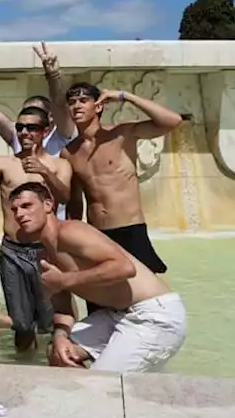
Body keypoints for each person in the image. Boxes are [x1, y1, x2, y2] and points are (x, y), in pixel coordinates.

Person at [7, 183, 187, 372]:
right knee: (57, 353)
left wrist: (64, 280)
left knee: (102, 383)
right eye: (14, 209)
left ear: (48, 205)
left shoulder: (71, 231)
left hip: (154, 316)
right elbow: (62, 306)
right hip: (118, 315)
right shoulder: (43, 257)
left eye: (26, 206)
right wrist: (60, 336)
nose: (19, 214)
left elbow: (124, 268)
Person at [62, 82, 182, 278]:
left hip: (130, 229)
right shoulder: (69, 152)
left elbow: (173, 121)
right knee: (102, 298)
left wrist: (126, 96)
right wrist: (74, 237)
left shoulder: (121, 135)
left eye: (83, 101)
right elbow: (75, 200)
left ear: (98, 106)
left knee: (143, 295)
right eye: (72, 102)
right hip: (97, 232)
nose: (77, 106)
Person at [0, 107, 73, 353]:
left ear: (45, 131)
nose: (24, 132)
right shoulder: (4, 163)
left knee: (53, 322)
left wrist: (44, 172)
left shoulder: (59, 164)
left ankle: (56, 369)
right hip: (12, 251)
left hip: (47, 250)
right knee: (21, 325)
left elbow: (64, 197)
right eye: (20, 127)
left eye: (31, 128)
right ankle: (24, 370)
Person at [0, 45, 77, 159]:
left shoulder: (62, 134)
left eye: (33, 122)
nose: (25, 129)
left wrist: (53, 75)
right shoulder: (20, 135)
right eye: (25, 113)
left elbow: (59, 103)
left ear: (51, 117)